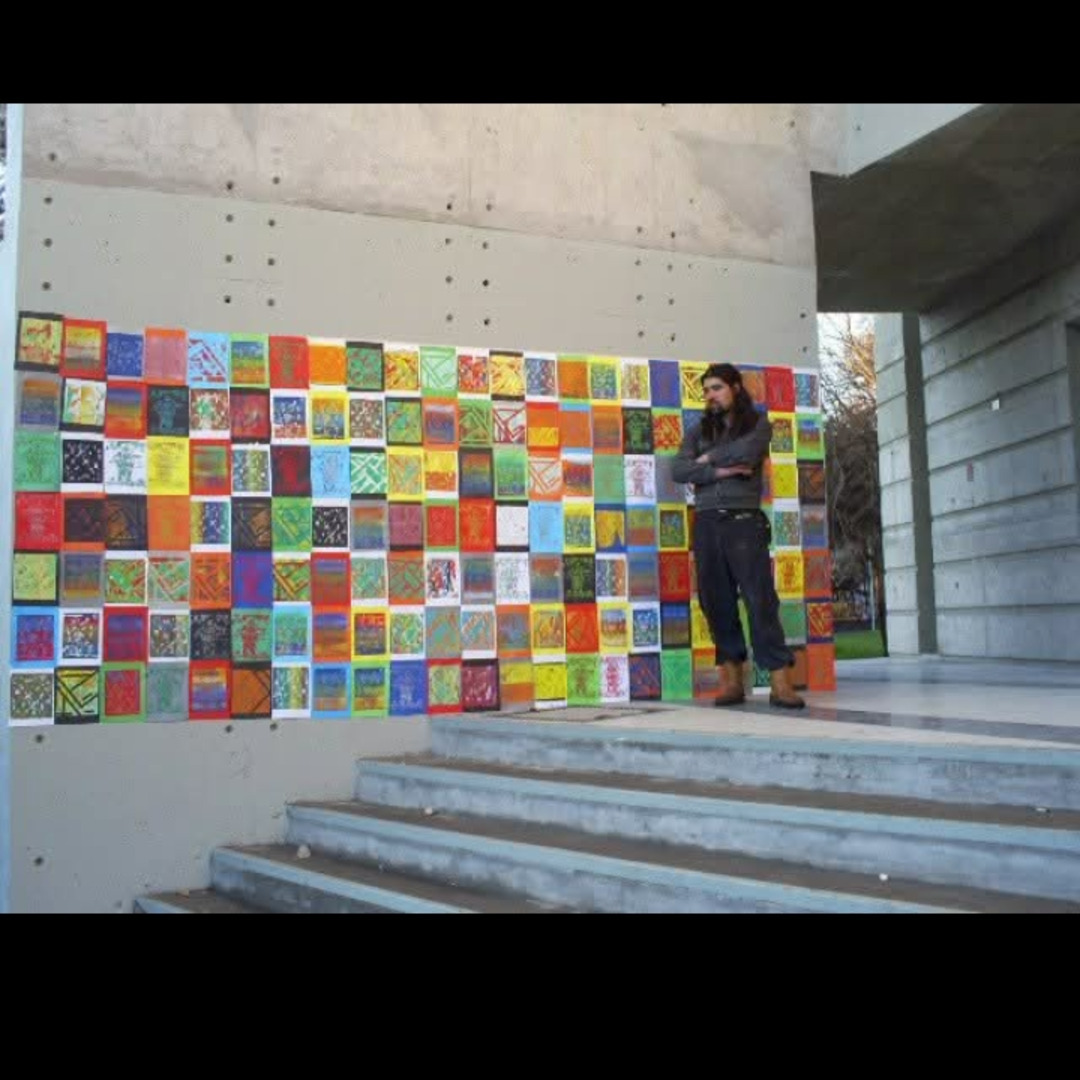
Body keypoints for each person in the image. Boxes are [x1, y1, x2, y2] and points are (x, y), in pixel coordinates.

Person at [672, 363, 805, 709]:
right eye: (706, 390)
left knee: (760, 600)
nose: (710, 396)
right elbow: (679, 469)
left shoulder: (758, 424)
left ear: (734, 387)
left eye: (716, 388)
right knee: (715, 601)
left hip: (744, 521)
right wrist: (724, 471)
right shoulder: (697, 430)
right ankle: (732, 680)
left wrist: (709, 459)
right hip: (706, 522)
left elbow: (747, 453)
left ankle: (780, 682)